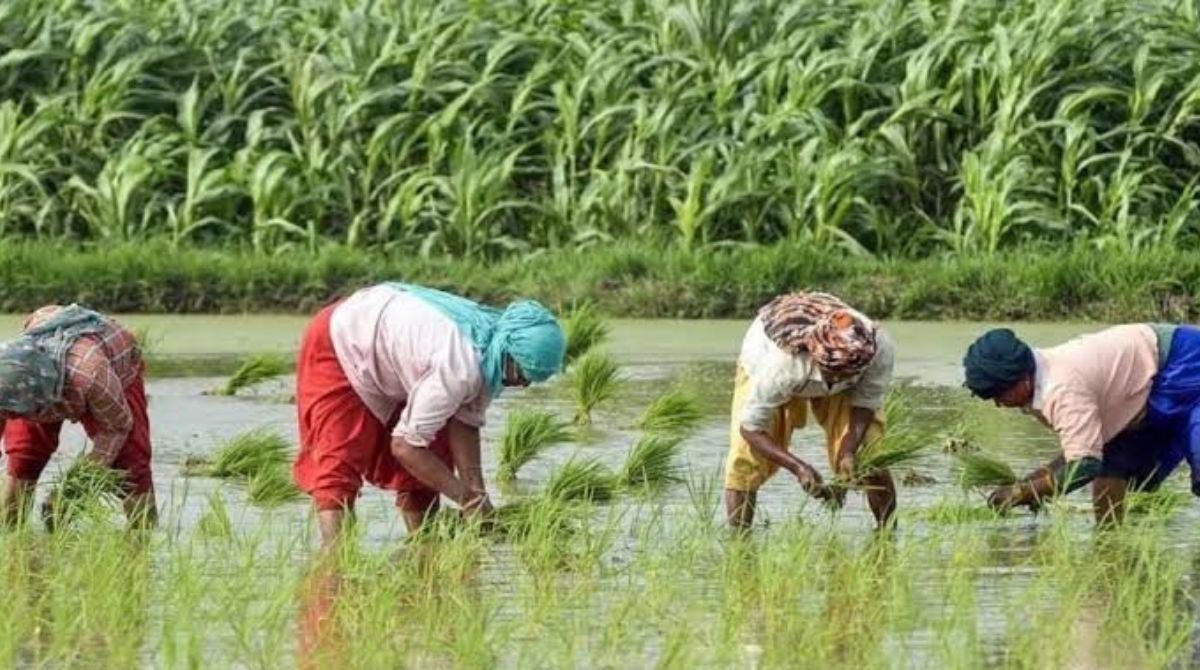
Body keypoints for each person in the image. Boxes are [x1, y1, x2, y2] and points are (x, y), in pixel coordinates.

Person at [291, 282, 566, 547]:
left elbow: (465, 421)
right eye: (520, 374)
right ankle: (335, 558)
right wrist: (468, 501)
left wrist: (478, 494)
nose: (521, 384)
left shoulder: (492, 352)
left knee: (434, 452)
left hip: (395, 352)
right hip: (342, 338)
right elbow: (406, 446)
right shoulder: (459, 365)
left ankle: (424, 546)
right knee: (339, 454)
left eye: (529, 380)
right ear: (507, 351)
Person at [962, 324, 1200, 523]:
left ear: (1021, 380)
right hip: (1149, 379)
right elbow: (1084, 450)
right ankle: (1110, 544)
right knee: (1112, 461)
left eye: (998, 394)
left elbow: (1085, 466)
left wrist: (1025, 492)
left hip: (1185, 360)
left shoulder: (1061, 389)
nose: (998, 404)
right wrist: (1032, 482)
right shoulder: (1036, 385)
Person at [723, 291, 897, 531]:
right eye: (834, 374)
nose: (838, 380)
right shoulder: (783, 364)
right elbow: (750, 428)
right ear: (817, 360)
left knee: (870, 454)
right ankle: (739, 541)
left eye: (848, 374)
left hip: (836, 366)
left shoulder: (877, 347)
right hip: (768, 359)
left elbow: (865, 403)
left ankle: (886, 534)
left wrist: (848, 449)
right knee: (744, 459)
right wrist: (798, 467)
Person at [0, 303, 156, 528]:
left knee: (130, 463)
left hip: (110, 363)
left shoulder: (91, 376)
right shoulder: (9, 375)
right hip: (37, 367)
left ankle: (144, 537)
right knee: (24, 454)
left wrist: (74, 490)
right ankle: (10, 534)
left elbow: (117, 428)